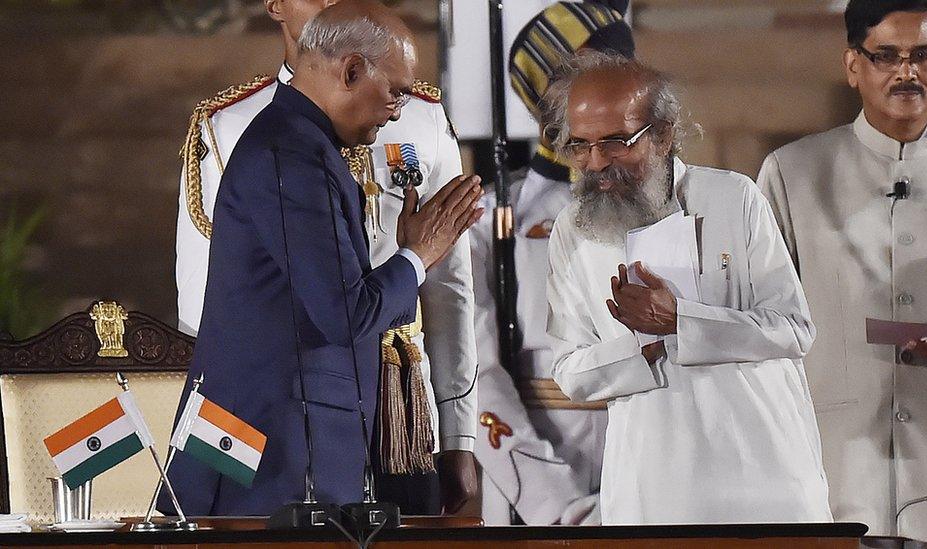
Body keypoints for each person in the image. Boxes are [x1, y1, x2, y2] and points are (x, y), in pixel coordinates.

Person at [163, 2, 483, 515]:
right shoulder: (289, 153)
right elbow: (342, 312)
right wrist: (418, 255)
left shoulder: (307, 143)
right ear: (352, 70)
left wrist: (457, 427)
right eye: (395, 92)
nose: (399, 109)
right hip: (267, 443)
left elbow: (444, 295)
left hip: (333, 424)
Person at [542, 50, 832, 525]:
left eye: (617, 142)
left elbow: (794, 330)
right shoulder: (573, 230)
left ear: (663, 134)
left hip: (764, 478)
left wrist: (681, 319)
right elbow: (571, 371)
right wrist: (647, 348)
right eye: (580, 145)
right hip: (651, 486)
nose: (596, 163)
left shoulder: (734, 198)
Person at [757, 1, 927, 546]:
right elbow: (759, 323)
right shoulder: (792, 173)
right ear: (854, 65)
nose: (907, 73)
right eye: (887, 57)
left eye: (921, 55)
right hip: (835, 473)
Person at [470, 0, 634, 526]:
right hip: (533, 494)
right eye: (576, 76)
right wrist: (555, 505)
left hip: (649, 479)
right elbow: (474, 374)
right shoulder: (486, 217)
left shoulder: (681, 207)